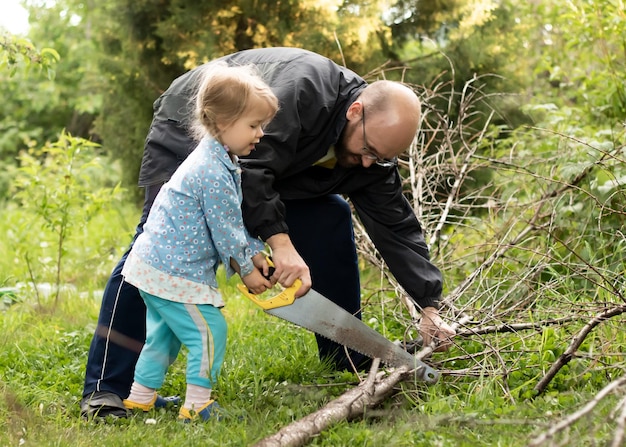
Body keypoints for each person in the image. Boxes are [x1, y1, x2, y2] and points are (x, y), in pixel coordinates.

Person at [80, 47, 455, 419]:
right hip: (194, 122)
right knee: (154, 248)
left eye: (382, 158)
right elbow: (252, 168)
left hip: (261, 156)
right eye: (369, 149)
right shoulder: (305, 91)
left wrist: (430, 305)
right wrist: (280, 243)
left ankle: (347, 356)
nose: (370, 163)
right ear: (355, 111)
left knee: (330, 216)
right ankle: (107, 389)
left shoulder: (371, 149)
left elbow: (396, 225)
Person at [120, 63, 278, 421]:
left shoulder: (218, 159)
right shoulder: (210, 169)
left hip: (154, 267)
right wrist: (246, 271)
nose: (261, 133)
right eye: (253, 125)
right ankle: (197, 405)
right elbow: (224, 231)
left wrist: (254, 253)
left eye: (262, 125)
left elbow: (230, 223)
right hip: (173, 272)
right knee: (210, 331)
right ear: (221, 122)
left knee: (164, 336)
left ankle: (140, 397)